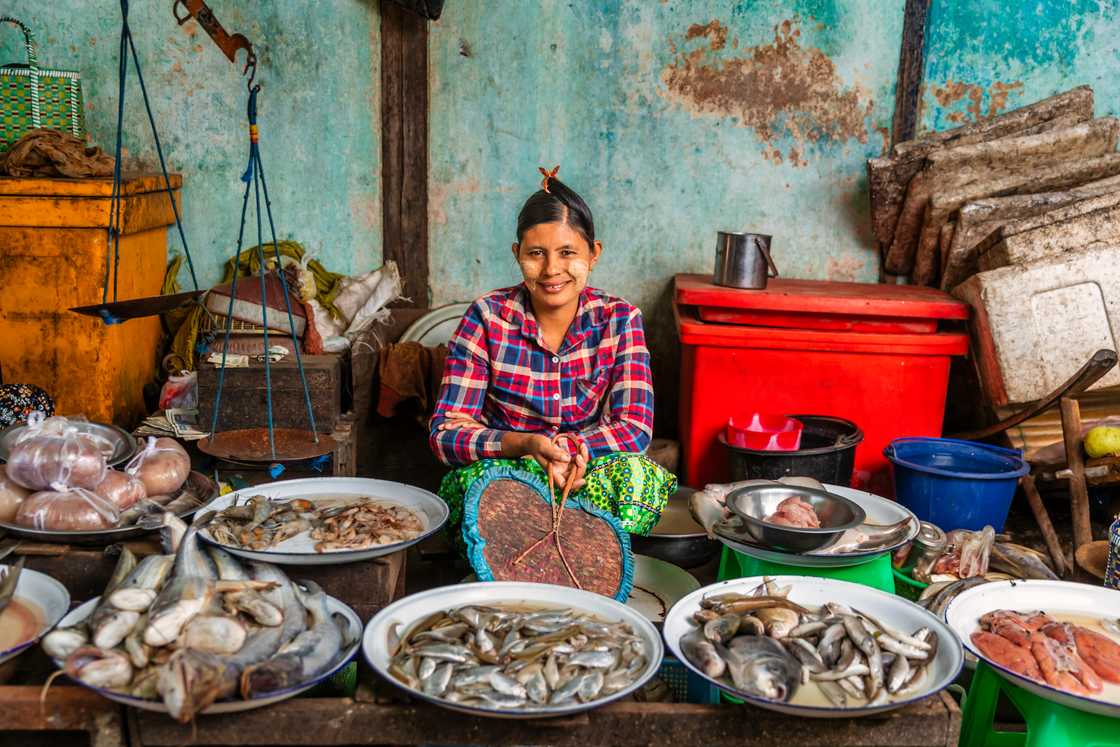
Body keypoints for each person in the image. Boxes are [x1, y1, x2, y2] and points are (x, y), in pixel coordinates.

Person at [429, 166, 676, 544]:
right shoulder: (487, 317)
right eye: (536, 254)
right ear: (517, 255)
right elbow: (447, 433)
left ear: (593, 255)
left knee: (637, 480)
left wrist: (572, 451)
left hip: (586, 473)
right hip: (508, 477)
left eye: (567, 253)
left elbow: (635, 428)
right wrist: (525, 446)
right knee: (470, 490)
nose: (551, 270)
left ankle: (592, 557)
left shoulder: (620, 319)